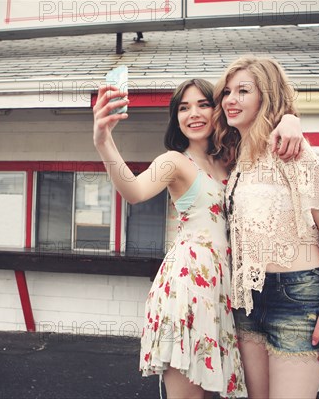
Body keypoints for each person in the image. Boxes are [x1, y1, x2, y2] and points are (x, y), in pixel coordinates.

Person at [92, 78, 302, 399]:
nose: (194, 113)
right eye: (184, 107)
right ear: (176, 117)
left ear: (218, 108)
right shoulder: (175, 161)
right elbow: (133, 190)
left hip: (224, 291)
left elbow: (269, 113)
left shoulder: (231, 159)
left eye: (203, 104)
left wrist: (290, 119)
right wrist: (103, 140)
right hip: (187, 287)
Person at [214, 56, 319, 399]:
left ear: (266, 95)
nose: (231, 99)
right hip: (247, 298)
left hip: (297, 295)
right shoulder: (237, 156)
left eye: (243, 91)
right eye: (227, 91)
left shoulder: (292, 148)